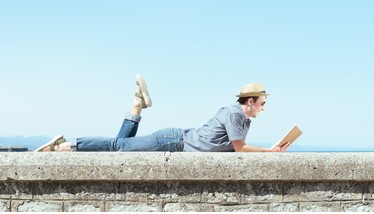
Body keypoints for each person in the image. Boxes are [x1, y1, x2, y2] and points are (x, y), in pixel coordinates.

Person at [35, 74, 290, 152]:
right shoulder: (235, 114)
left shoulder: (242, 118)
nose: (264, 107)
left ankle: (136, 107)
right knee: (117, 147)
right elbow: (239, 149)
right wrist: (271, 151)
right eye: (262, 102)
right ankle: (65, 146)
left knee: (118, 148)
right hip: (173, 141)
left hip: (175, 141)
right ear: (251, 101)